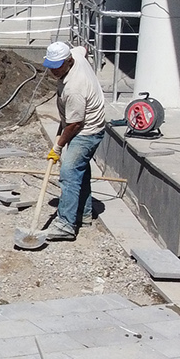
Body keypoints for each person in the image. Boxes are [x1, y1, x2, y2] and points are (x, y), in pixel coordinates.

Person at [41, 40, 107, 241]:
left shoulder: (74, 89)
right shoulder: (76, 54)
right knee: (81, 170)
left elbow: (74, 125)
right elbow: (84, 49)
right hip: (81, 123)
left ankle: (66, 225)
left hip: (87, 130)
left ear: (68, 61)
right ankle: (83, 214)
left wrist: (58, 147)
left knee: (69, 173)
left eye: (57, 67)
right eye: (50, 67)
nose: (53, 72)